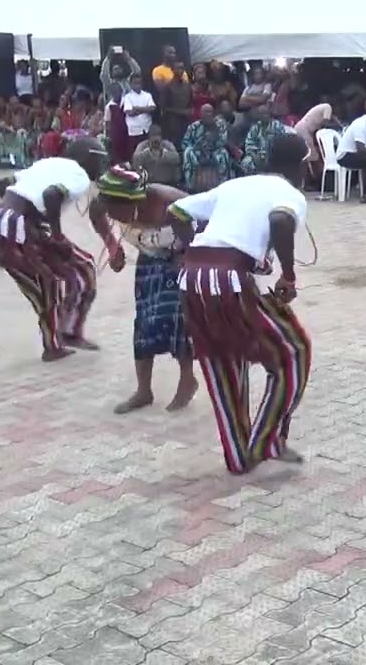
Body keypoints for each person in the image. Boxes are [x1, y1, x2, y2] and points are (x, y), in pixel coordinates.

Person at [168, 134, 311, 474]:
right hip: (229, 279)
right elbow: (280, 220)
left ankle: (238, 456)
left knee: (222, 359)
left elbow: (176, 210)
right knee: (293, 351)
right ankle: (267, 441)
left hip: (191, 278)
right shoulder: (290, 194)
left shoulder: (235, 185)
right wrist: (288, 275)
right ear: (300, 166)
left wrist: (191, 248)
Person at [0, 138, 118, 361]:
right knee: (53, 281)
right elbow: (51, 195)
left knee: (78, 268)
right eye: (99, 162)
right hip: (17, 227)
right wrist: (56, 235)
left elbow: (3, 184)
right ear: (88, 158)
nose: (100, 168)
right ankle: (57, 342)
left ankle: (65, 335)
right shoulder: (79, 174)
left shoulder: (48, 163)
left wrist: (26, 216)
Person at [92, 165, 198, 414]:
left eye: (118, 210)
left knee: (177, 320)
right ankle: (143, 390)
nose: (115, 216)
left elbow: (198, 232)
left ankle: (187, 379)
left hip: (179, 257)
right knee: (144, 322)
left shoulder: (170, 205)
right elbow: (98, 219)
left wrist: (188, 261)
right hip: (149, 256)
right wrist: (113, 247)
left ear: (133, 201)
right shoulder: (102, 204)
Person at [181, 104, 231, 193]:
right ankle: (190, 185)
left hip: (214, 151)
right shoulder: (194, 126)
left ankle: (223, 184)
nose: (208, 114)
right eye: (206, 112)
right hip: (197, 152)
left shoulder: (220, 125)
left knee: (223, 153)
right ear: (201, 113)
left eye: (210, 112)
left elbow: (223, 141)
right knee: (188, 152)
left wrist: (214, 135)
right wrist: (199, 146)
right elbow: (185, 143)